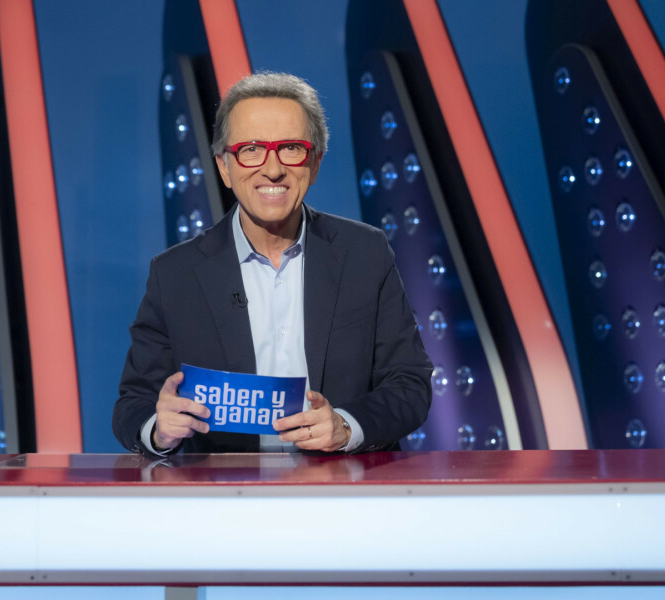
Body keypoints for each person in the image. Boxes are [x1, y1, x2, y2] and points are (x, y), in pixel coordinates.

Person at [113, 72, 432, 456]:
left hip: (342, 485)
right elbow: (133, 403)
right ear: (224, 166)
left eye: (291, 148)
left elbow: (409, 383)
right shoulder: (175, 274)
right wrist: (158, 430)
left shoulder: (365, 253)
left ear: (314, 162)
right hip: (227, 487)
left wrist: (345, 426)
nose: (273, 168)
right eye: (251, 149)